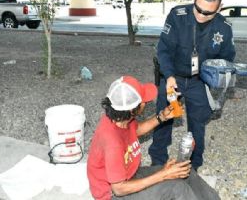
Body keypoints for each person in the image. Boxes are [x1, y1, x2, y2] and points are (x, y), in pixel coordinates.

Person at [87, 75, 221, 200]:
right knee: (176, 187)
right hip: (114, 194)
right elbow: (119, 189)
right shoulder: (112, 141)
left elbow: (136, 130)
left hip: (131, 174)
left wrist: (162, 117)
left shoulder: (119, 117)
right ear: (132, 109)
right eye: (143, 101)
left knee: (183, 170)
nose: (146, 102)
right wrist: (164, 174)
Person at [149, 0, 236, 171]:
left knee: (197, 124)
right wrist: (169, 77)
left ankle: (194, 164)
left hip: (200, 82)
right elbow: (163, 51)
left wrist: (217, 80)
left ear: (219, 8)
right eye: (198, 8)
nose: (201, 15)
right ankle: (157, 160)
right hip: (174, 77)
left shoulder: (224, 27)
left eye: (208, 13)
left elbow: (227, 59)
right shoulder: (177, 15)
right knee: (165, 117)